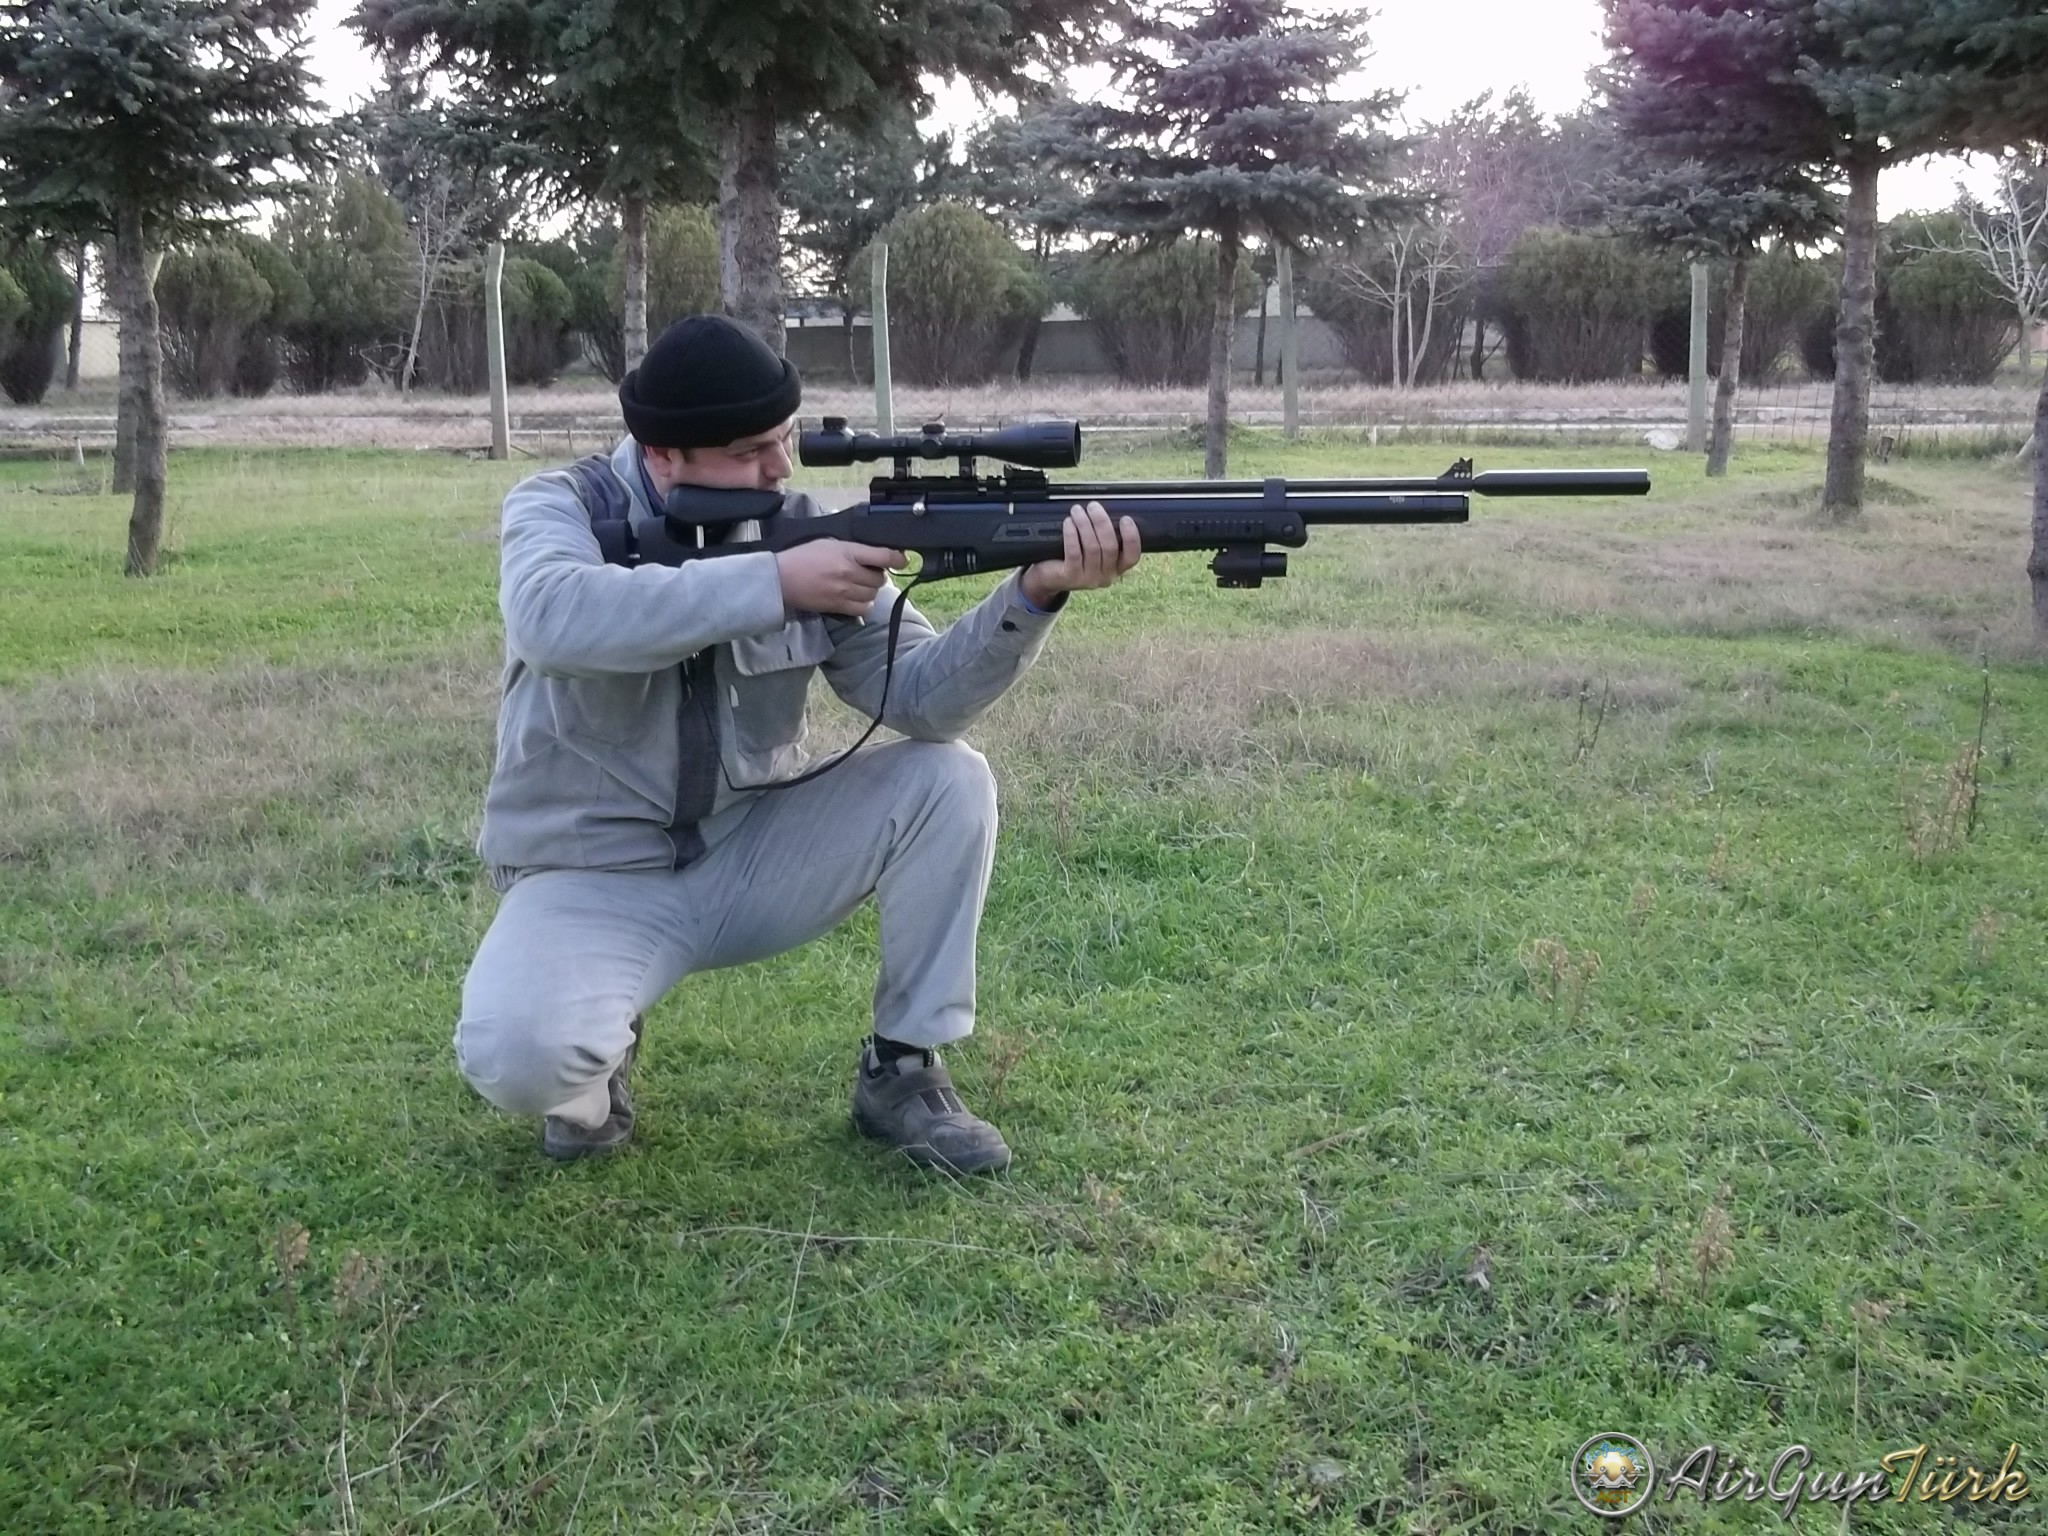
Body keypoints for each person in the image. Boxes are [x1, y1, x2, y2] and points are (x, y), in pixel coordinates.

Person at [454, 314, 1141, 1173]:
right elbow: (551, 616)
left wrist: (1033, 594)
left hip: (753, 853)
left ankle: (903, 1068)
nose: (780, 468)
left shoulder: (808, 530)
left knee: (947, 780)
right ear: (662, 454)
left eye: (785, 439)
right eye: (750, 451)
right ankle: (595, 1063)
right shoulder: (564, 506)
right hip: (591, 875)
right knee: (517, 1056)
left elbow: (921, 699)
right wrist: (774, 583)